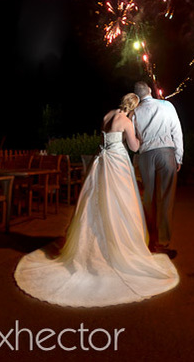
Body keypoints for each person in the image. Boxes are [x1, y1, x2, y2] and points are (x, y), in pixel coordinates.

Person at [14, 93, 179, 307]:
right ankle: (116, 247)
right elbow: (135, 147)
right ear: (133, 108)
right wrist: (140, 136)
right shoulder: (127, 121)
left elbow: (104, 138)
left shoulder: (108, 115)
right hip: (118, 162)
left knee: (98, 201)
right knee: (120, 204)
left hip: (102, 161)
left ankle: (93, 243)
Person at [132, 81, 183, 256]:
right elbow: (176, 131)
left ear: (137, 96)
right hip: (165, 153)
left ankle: (150, 240)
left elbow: (134, 139)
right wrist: (179, 156)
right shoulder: (166, 105)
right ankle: (162, 242)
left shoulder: (135, 112)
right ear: (150, 91)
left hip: (145, 156)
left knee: (148, 198)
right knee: (165, 198)